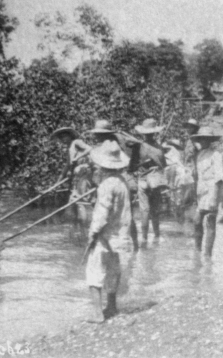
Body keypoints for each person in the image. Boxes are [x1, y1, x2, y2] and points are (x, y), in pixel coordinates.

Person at [84, 139, 133, 323]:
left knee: (94, 272)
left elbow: (102, 215)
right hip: (119, 235)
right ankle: (111, 306)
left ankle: (98, 314)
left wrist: (93, 233)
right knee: (113, 270)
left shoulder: (106, 185)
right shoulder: (122, 182)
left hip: (105, 235)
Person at [132, 118, 168, 248]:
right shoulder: (160, 148)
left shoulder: (138, 146)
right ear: (155, 133)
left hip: (143, 180)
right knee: (155, 210)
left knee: (144, 210)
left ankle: (144, 238)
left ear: (143, 133)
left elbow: (132, 166)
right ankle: (157, 236)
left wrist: (137, 169)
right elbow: (164, 165)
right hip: (156, 181)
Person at [191, 127, 223, 258]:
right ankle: (197, 249)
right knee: (197, 221)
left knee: (210, 221)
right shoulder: (199, 154)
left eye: (206, 139)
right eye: (201, 139)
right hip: (202, 189)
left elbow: (219, 178)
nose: (203, 141)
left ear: (210, 141)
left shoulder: (216, 155)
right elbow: (197, 175)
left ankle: (208, 254)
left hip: (212, 189)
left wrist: (215, 197)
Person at [163, 138, 188, 223]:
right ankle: (177, 213)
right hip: (179, 175)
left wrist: (171, 182)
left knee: (174, 195)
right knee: (177, 195)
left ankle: (177, 214)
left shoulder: (172, 152)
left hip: (175, 175)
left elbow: (173, 167)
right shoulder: (177, 153)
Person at [182, 118, 201, 212]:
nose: (188, 129)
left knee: (192, 187)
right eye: (188, 127)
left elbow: (199, 150)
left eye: (191, 127)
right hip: (188, 166)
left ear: (195, 128)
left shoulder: (196, 138)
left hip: (194, 165)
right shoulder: (189, 139)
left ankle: (188, 206)